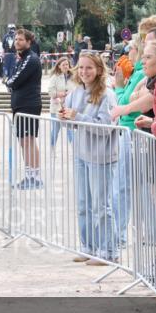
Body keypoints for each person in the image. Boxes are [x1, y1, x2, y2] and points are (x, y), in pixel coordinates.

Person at [60, 52, 119, 266]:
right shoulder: (74, 93)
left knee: (102, 205)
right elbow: (70, 123)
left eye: (89, 68)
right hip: (81, 154)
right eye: (81, 68)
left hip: (101, 156)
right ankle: (88, 246)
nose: (84, 72)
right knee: (84, 203)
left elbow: (105, 128)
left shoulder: (107, 95)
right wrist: (64, 118)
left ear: (99, 70)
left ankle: (108, 251)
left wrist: (78, 117)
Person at [5, 28, 43, 190]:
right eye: (16, 39)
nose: (17, 42)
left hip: (29, 104)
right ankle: (29, 175)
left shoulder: (31, 58)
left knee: (28, 140)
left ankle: (34, 177)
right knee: (23, 141)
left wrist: (8, 83)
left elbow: (15, 80)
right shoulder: (21, 58)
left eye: (21, 39)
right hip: (20, 104)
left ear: (29, 42)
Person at [48, 56, 76, 148]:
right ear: (59, 66)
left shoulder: (73, 77)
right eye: (63, 65)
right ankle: (52, 146)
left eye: (67, 64)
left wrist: (71, 93)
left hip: (69, 107)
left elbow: (76, 88)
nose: (65, 66)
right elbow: (50, 92)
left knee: (70, 129)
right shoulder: (55, 77)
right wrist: (62, 94)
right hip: (57, 108)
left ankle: (74, 147)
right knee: (55, 129)